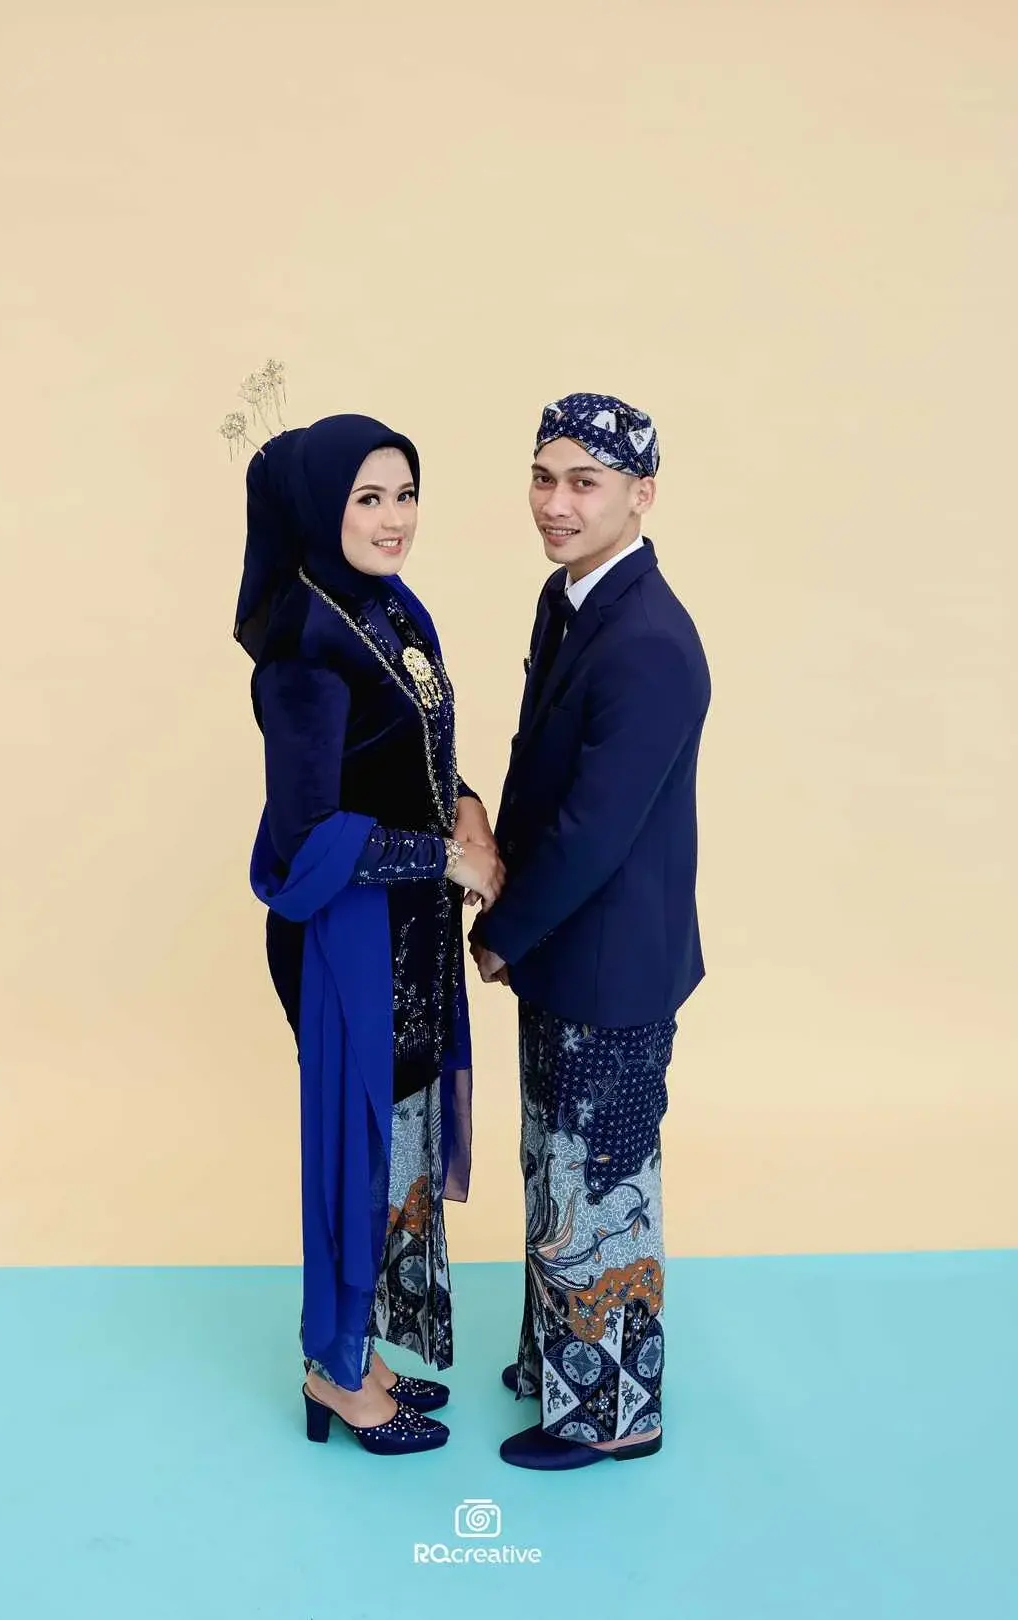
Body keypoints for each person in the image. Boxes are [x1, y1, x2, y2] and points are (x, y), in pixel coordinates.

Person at [234, 414, 504, 1456]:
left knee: (390, 1149)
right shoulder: (305, 649)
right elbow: (309, 837)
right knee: (353, 1156)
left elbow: (410, 750)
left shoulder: (388, 609)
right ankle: (333, 1372)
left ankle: (360, 1352)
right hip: (349, 948)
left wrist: (465, 801)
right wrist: (445, 859)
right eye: (368, 499)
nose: (396, 520)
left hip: (405, 936)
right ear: (320, 510)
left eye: (406, 495)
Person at [469, 391, 711, 1470]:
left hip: (610, 960)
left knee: (602, 1183)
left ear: (641, 494)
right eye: (543, 477)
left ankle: (616, 1416)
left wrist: (504, 928)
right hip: (567, 947)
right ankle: (557, 1363)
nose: (555, 504)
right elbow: (542, 768)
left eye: (585, 482)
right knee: (554, 1164)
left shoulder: (650, 641)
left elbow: (594, 830)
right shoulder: (569, 598)